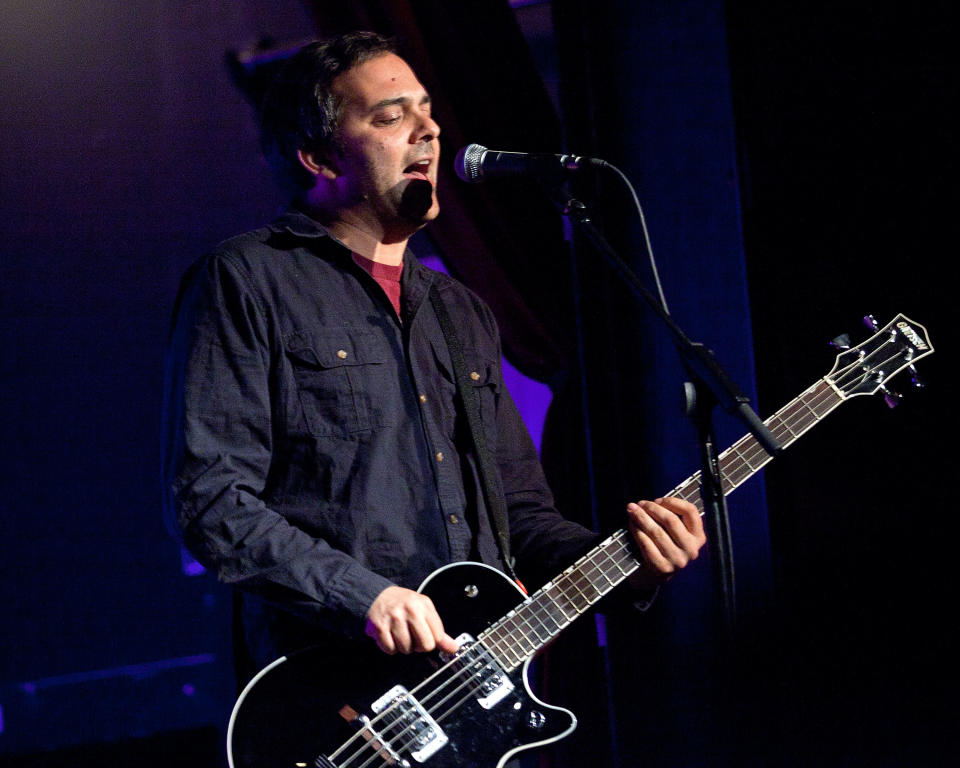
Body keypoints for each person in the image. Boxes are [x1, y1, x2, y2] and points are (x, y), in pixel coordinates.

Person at [162, 31, 705, 680]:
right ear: (318, 156)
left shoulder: (461, 311)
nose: (429, 129)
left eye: (427, 110)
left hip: (468, 694)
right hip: (335, 695)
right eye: (390, 116)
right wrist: (365, 597)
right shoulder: (245, 280)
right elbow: (209, 500)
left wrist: (629, 562)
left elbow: (522, 517)